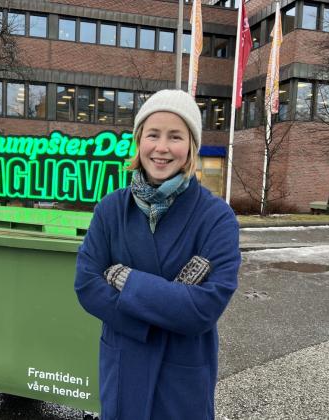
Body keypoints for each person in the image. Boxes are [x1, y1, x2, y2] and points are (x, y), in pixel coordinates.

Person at [74, 89, 241, 420]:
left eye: (175, 136)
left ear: (190, 146)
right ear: (139, 141)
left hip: (182, 374)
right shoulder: (111, 209)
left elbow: (203, 308)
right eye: (153, 134)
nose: (162, 147)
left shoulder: (216, 217)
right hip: (123, 364)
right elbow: (87, 285)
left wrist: (126, 278)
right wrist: (168, 303)